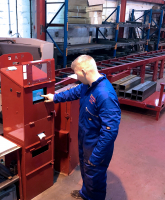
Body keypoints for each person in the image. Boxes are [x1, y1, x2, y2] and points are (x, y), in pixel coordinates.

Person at [41, 55, 121, 200]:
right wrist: (55, 97)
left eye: (77, 73)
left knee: (95, 177)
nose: (76, 77)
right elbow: (73, 92)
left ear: (84, 71)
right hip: (86, 139)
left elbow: (110, 132)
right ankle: (86, 194)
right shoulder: (88, 86)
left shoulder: (105, 95)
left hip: (97, 146)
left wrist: (96, 155)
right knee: (86, 172)